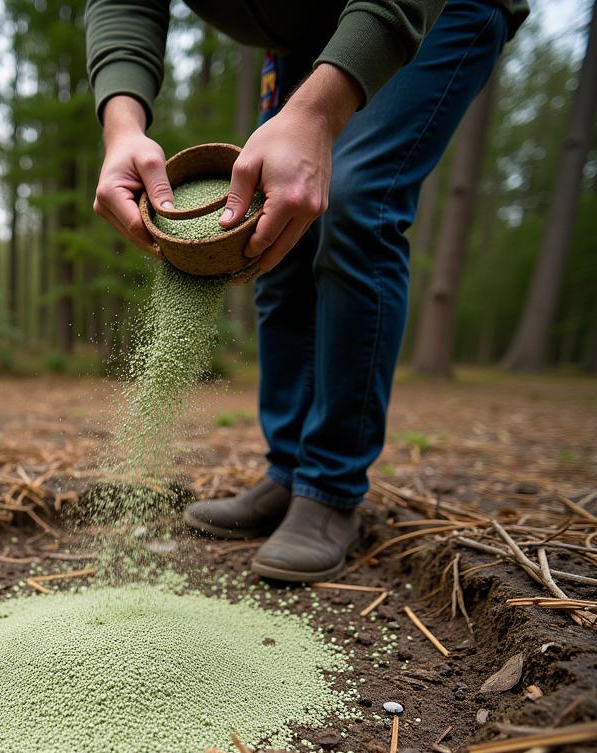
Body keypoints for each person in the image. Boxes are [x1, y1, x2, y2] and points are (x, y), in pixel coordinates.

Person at [85, 0, 527, 581]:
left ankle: (329, 488)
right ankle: (289, 471)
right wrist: (122, 125)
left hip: (432, 9)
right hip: (305, 37)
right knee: (273, 222)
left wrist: (317, 114)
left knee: (355, 200)